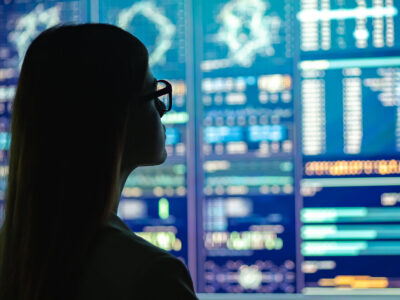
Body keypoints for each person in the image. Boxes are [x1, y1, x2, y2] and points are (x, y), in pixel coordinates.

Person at [0, 24, 198, 300]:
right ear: (115, 118)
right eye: (154, 95)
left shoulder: (11, 255)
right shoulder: (153, 276)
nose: (162, 111)